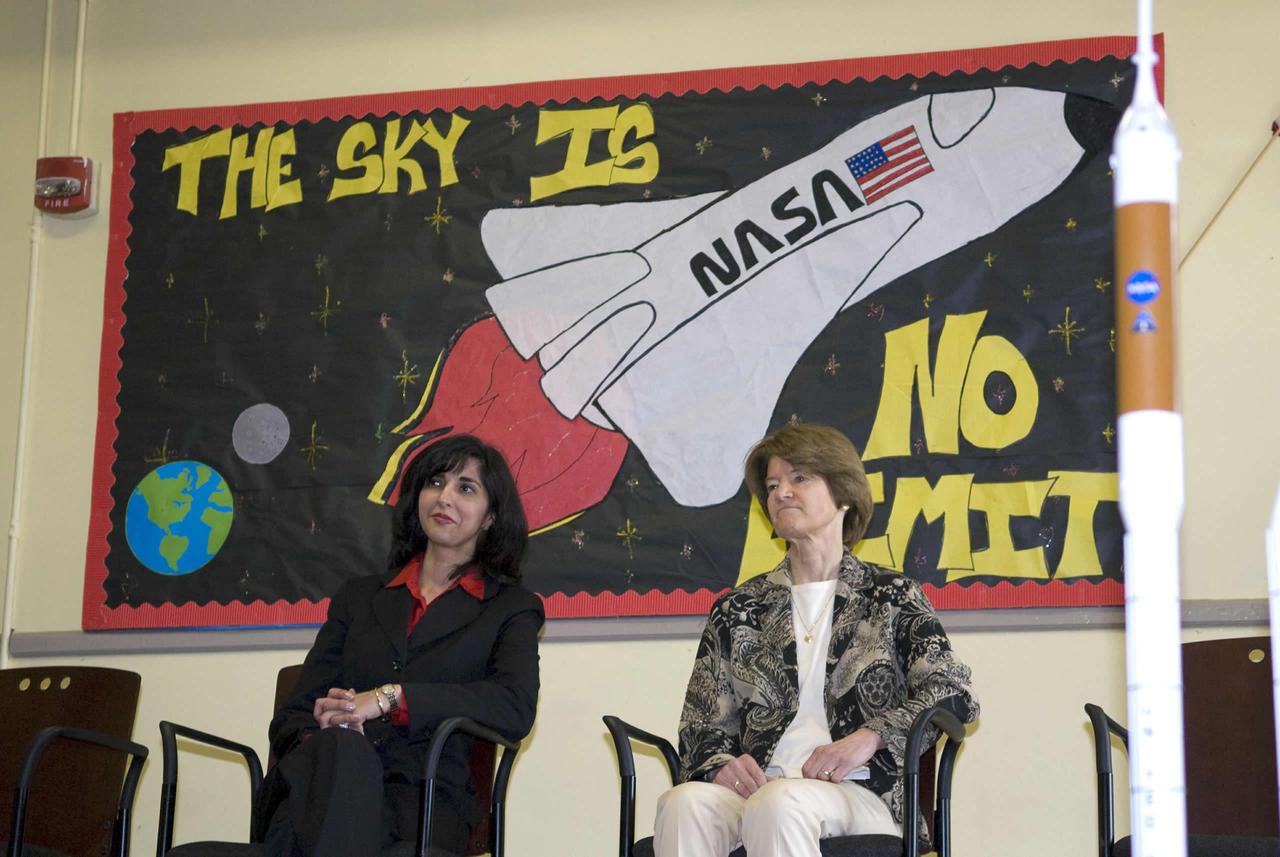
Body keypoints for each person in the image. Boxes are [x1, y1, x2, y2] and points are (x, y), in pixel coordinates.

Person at [654, 422, 978, 857]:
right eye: (772, 485)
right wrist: (720, 768)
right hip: (761, 790)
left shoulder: (890, 596)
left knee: (779, 805)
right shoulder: (740, 608)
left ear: (843, 494)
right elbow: (700, 729)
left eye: (799, 478)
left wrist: (871, 736)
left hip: (862, 793)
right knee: (683, 803)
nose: (781, 493)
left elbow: (954, 694)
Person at [256, 434, 544, 857]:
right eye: (435, 482)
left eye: (466, 488)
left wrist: (392, 698)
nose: (444, 497)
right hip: (320, 794)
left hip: (422, 803)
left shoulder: (509, 609)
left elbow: (513, 706)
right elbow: (291, 718)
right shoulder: (358, 598)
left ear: (490, 517)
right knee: (341, 754)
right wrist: (328, 728)